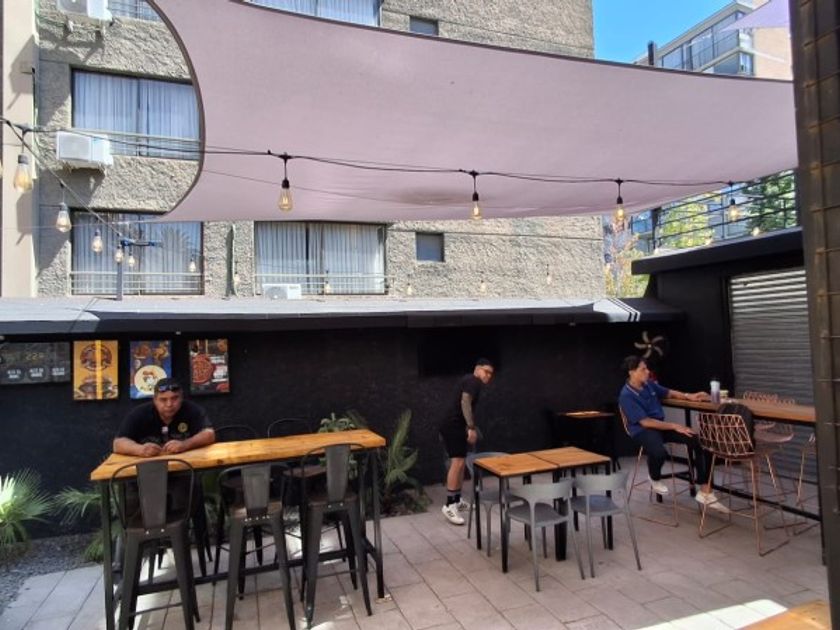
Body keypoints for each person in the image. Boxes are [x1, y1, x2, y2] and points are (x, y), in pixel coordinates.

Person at [618, 355, 728, 512]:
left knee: (699, 441)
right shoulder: (626, 395)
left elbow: (669, 393)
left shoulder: (649, 385)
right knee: (659, 453)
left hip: (660, 427)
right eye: (643, 369)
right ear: (631, 372)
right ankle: (654, 477)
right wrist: (674, 426)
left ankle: (705, 490)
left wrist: (688, 396)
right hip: (642, 430)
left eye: (647, 368)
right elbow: (645, 422)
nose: (648, 371)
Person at [439, 358, 494, 525]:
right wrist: (471, 427)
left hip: (456, 426)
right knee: (457, 463)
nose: (488, 375)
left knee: (461, 463)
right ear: (477, 369)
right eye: (486, 371)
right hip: (452, 425)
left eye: (491, 373)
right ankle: (449, 505)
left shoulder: (471, 381)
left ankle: (457, 500)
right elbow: (465, 401)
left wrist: (467, 427)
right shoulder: (473, 380)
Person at [114, 378, 215, 456]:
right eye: (163, 400)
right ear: (154, 400)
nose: (169, 404)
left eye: (174, 398)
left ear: (181, 398)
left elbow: (209, 434)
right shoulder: (139, 413)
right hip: (148, 468)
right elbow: (118, 444)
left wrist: (185, 444)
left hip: (186, 467)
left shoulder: (192, 409)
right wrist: (140, 449)